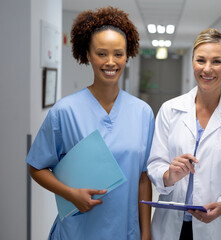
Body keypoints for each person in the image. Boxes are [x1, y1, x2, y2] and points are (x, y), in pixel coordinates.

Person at [26, 6, 154, 240]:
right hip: (77, 230)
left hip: (126, 231)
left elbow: (143, 178)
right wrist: (71, 194)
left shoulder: (143, 113)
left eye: (118, 54)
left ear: (127, 55)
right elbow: (36, 167)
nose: (111, 62)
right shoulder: (65, 111)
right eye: (101, 53)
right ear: (87, 55)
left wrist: (146, 234)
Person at [147, 28, 221, 240]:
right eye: (201, 60)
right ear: (192, 63)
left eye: (216, 61)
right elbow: (155, 163)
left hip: (217, 226)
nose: (207, 69)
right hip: (171, 225)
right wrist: (169, 175)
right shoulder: (170, 110)